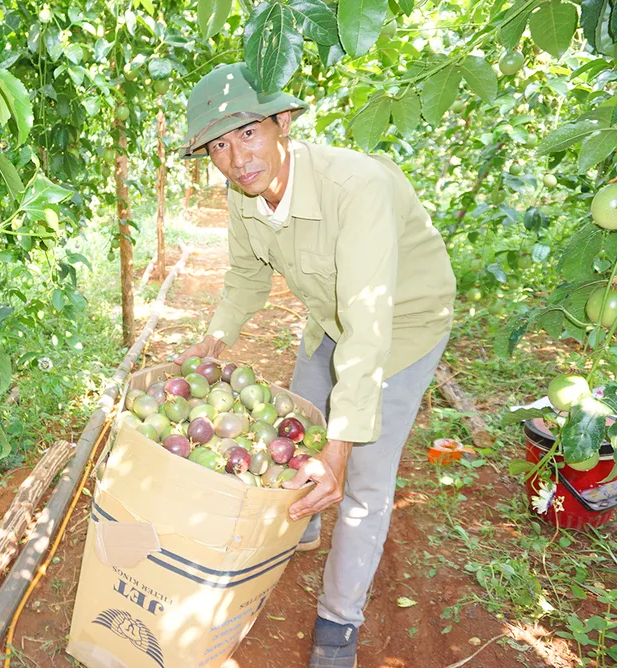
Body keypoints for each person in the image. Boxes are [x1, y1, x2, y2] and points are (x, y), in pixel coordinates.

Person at [174, 62, 457, 668]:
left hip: (401, 326)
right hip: (331, 315)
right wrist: (213, 341)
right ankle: (299, 521)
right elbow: (247, 279)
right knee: (300, 422)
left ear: (282, 124)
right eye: (218, 145)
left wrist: (344, 446)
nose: (235, 157)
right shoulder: (244, 196)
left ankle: (339, 621)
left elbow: (369, 325)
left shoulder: (356, 189)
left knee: (362, 478)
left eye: (247, 133)